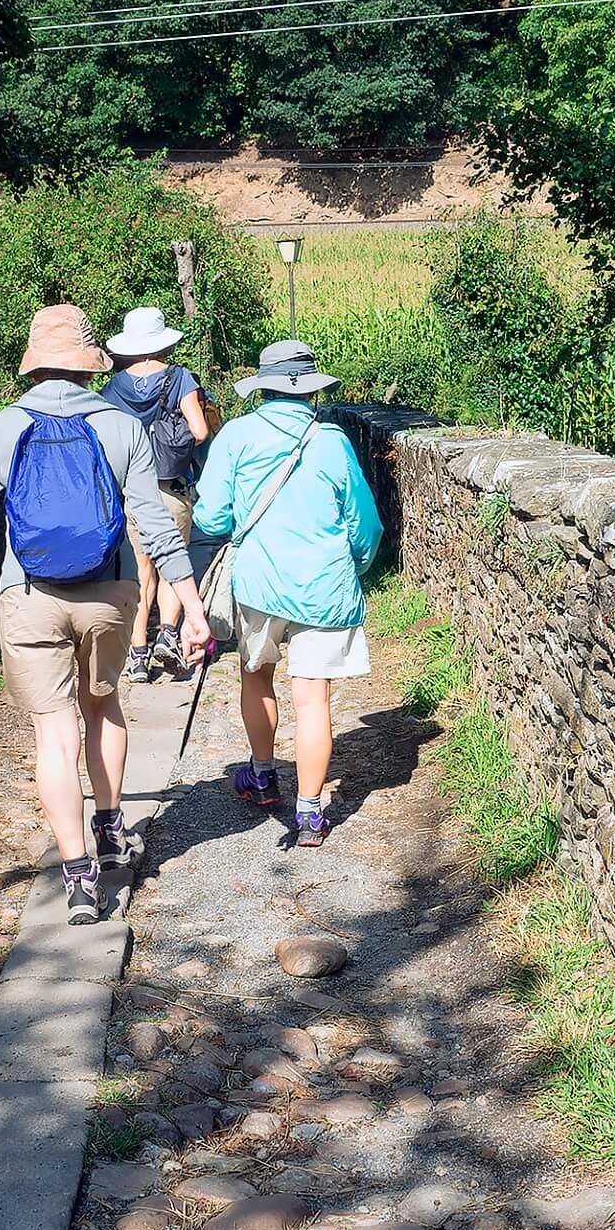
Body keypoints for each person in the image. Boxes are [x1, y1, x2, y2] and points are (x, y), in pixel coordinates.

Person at [0, 303, 212, 923]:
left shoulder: (5, 426)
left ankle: (76, 876)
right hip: (111, 592)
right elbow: (152, 520)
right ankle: (111, 831)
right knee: (104, 706)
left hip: (30, 594)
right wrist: (192, 603)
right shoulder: (121, 425)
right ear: (90, 365)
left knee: (53, 727)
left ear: (34, 366)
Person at [190, 337, 382, 847]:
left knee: (256, 676)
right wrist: (354, 566)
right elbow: (365, 526)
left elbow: (210, 517)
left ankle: (262, 774)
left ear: (263, 387)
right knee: (313, 697)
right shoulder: (333, 441)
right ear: (311, 390)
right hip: (324, 584)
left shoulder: (235, 436)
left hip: (261, 583)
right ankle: (312, 813)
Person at [100, 306, 216, 684]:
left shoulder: (113, 387)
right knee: (173, 563)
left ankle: (136, 656)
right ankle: (167, 633)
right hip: (172, 487)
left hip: (131, 491)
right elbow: (199, 431)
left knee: (140, 572)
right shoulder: (180, 378)